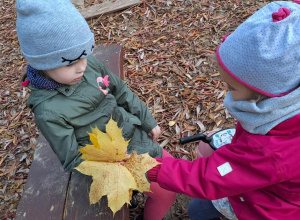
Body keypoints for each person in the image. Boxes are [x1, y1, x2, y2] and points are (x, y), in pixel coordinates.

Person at [15, 1, 176, 219]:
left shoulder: (89, 67)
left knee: (173, 171)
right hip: (110, 161)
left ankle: (136, 193)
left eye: (84, 55)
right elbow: (72, 158)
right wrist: (111, 167)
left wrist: (146, 119)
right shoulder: (48, 111)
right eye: (71, 62)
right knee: (167, 192)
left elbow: (121, 92)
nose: (82, 66)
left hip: (130, 130)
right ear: (43, 63)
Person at [147, 1, 300, 219]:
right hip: (268, 181)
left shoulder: (269, 152)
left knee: (197, 212)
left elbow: (209, 177)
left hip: (264, 208)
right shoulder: (286, 106)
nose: (226, 94)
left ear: (266, 94)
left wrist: (153, 169)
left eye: (231, 87)